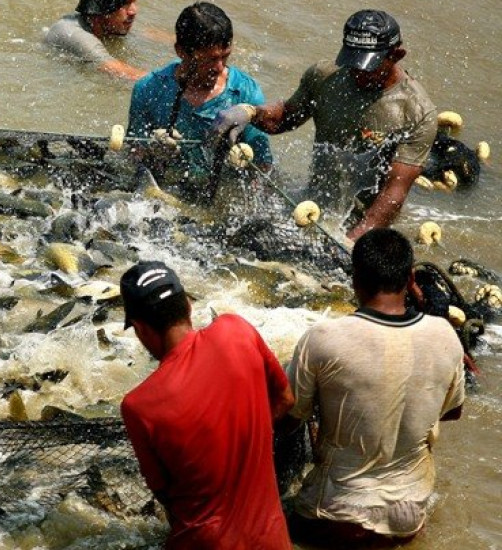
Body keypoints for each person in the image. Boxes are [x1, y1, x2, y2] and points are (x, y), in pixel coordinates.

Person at [284, 228, 465, 543]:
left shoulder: (324, 338)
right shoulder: (446, 336)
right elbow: (452, 411)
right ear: (410, 279)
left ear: (355, 281)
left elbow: (289, 417)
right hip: (407, 520)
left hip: (332, 516)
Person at [212, 10, 437, 241]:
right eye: (353, 62)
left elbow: (393, 195)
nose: (358, 72)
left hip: (363, 225)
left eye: (368, 66)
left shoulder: (416, 113)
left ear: (396, 55)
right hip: (313, 206)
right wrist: (251, 112)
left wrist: (349, 243)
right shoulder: (324, 77)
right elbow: (284, 118)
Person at [119, 260, 294, 549]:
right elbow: (285, 400)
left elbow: (166, 495)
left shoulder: (138, 406)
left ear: (140, 329)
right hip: (272, 541)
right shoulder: (237, 330)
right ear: (188, 305)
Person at [126, 2, 273, 198]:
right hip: (165, 195)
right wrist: (151, 150)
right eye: (210, 59)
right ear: (181, 51)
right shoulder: (149, 89)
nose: (219, 67)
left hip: (219, 195)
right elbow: (132, 155)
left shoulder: (246, 94)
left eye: (225, 57)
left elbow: (263, 168)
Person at [45, 0, 146, 80]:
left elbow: (150, 34)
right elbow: (114, 69)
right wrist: (161, 78)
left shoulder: (110, 26)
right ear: (101, 9)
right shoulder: (76, 34)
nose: (133, 11)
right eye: (124, 4)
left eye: (134, 2)